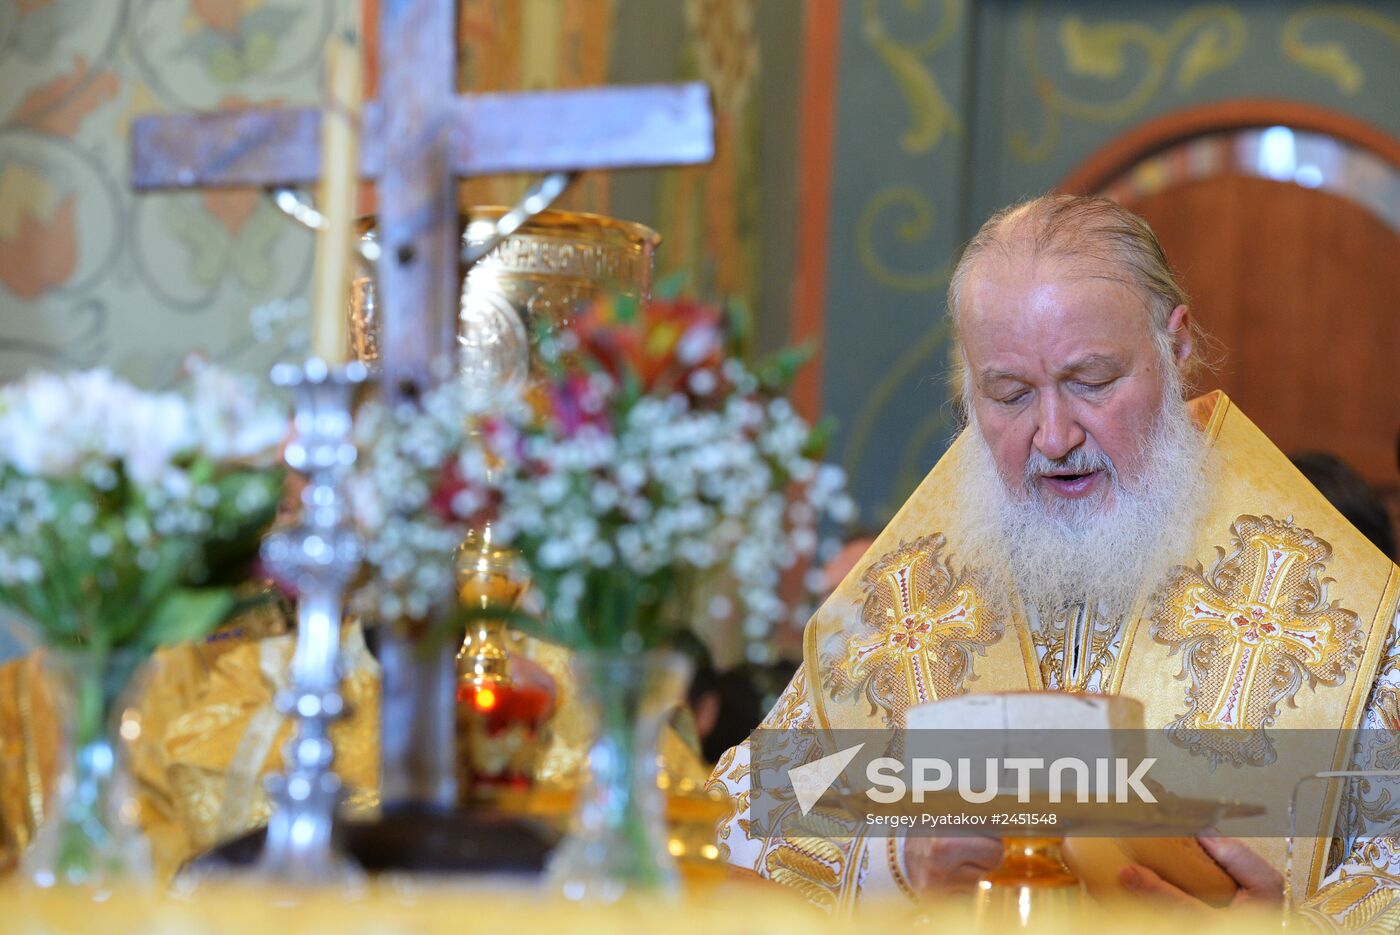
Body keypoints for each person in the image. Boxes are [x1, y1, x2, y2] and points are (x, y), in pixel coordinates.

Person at [707, 194, 1400, 928]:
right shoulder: (906, 598)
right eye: (1008, 394)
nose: (1055, 434)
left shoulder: (1341, 604)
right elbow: (733, 827)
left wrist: (1288, 928)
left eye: (1091, 382)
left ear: (1177, 347)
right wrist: (900, 864)